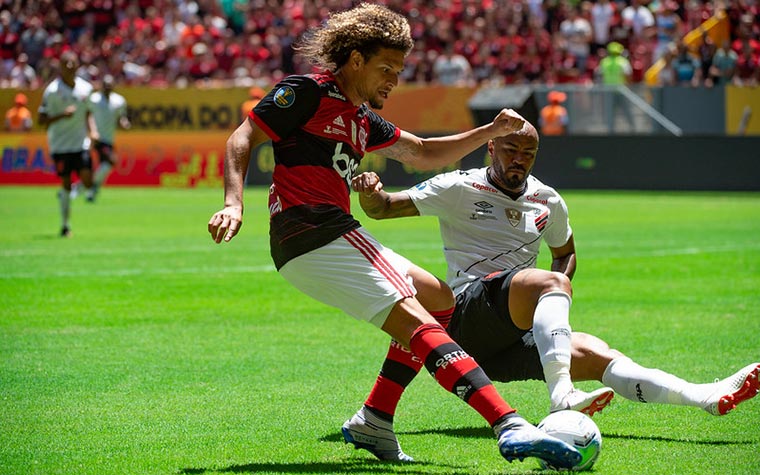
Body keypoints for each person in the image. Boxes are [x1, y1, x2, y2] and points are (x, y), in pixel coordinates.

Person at [207, 3, 581, 470]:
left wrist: (490, 129)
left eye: (399, 70)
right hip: (313, 230)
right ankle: (508, 423)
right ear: (355, 60)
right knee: (417, 318)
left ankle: (374, 419)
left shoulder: (363, 119)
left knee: (440, 301)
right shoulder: (305, 92)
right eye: (386, 68)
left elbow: (423, 153)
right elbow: (242, 138)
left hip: (325, 235)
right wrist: (233, 202)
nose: (393, 80)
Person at [345, 119, 760, 462]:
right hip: (465, 315)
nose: (518, 160)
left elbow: (566, 252)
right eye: (510, 150)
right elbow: (384, 209)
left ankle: (705, 396)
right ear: (491, 148)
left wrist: (550, 302)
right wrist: (371, 194)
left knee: (597, 352)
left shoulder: (548, 200)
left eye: (528, 154)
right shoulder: (458, 186)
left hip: (505, 340)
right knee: (549, 281)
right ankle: (561, 394)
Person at [38, 51, 95, 237]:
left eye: (73, 63)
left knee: (88, 181)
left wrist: (92, 130)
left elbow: (88, 112)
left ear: (78, 65)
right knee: (65, 182)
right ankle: (65, 225)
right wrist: (62, 115)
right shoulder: (52, 91)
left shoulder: (86, 88)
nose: (70, 67)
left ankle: (70, 193)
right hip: (60, 145)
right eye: (66, 64)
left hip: (80, 142)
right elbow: (41, 120)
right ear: (60, 67)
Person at [83, 74, 131, 202]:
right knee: (108, 161)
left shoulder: (119, 101)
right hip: (95, 137)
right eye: (105, 86)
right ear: (101, 86)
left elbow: (121, 116)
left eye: (110, 86)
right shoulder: (94, 99)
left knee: (107, 164)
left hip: (108, 137)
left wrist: (124, 122)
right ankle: (88, 188)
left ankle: (86, 188)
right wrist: (92, 131)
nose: (107, 88)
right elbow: (87, 114)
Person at [596, 41, 634, 133]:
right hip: (621, 91)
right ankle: (633, 128)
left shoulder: (604, 62)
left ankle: (611, 131)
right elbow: (628, 75)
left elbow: (599, 75)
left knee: (610, 113)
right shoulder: (623, 62)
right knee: (627, 112)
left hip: (608, 92)